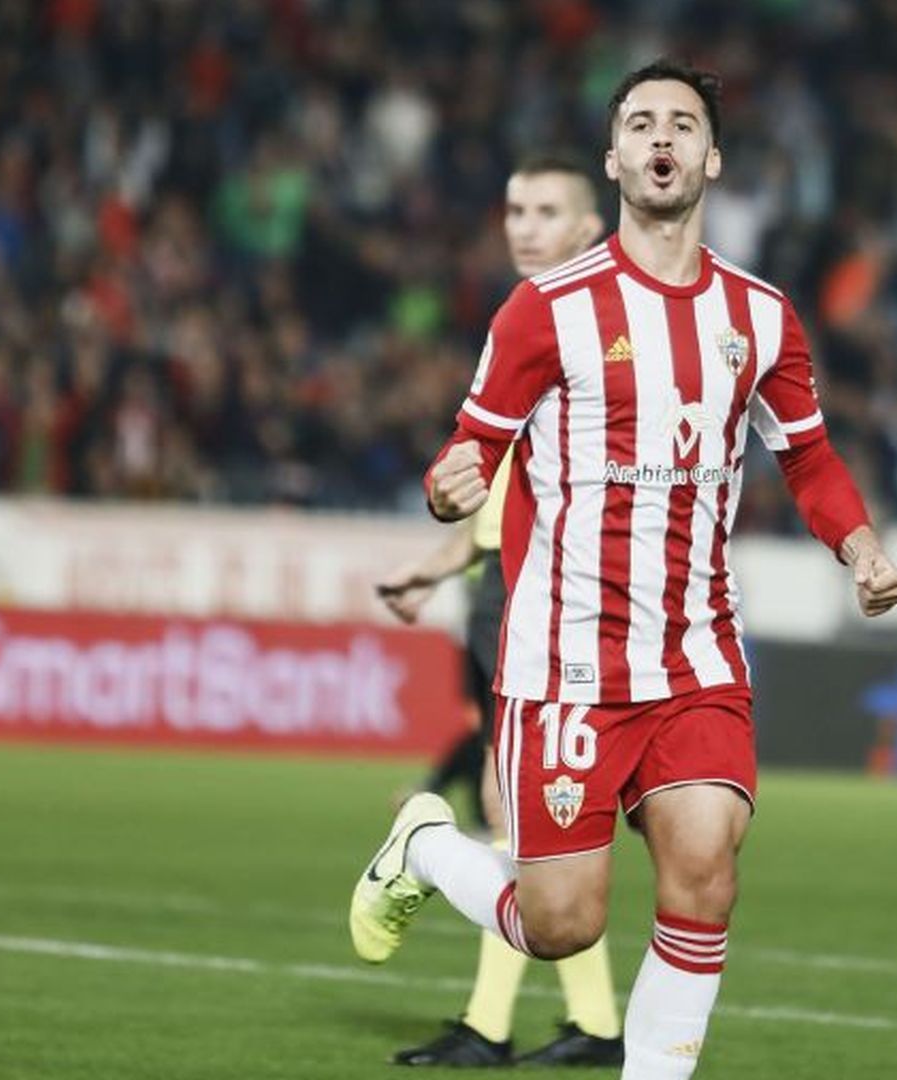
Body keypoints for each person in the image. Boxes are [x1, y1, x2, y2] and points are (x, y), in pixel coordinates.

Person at [349, 60, 897, 1080]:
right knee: (559, 923)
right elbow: (465, 452)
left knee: (705, 874)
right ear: (613, 159)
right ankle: (424, 843)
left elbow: (809, 457)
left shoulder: (761, 316)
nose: (662, 138)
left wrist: (858, 544)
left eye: (683, 124)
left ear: (713, 158)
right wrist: (448, 487)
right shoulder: (544, 310)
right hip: (566, 660)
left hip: (696, 654)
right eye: (641, 123)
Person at [371, 153, 627, 1067]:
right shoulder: (533, 320)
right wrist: (439, 567)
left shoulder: (575, 324)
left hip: (548, 601)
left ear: (590, 227)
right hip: (509, 588)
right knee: (528, 818)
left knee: (524, 817)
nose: (523, 226)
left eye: (546, 211)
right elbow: (500, 494)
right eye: (515, 210)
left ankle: (500, 1026)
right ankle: (586, 1025)